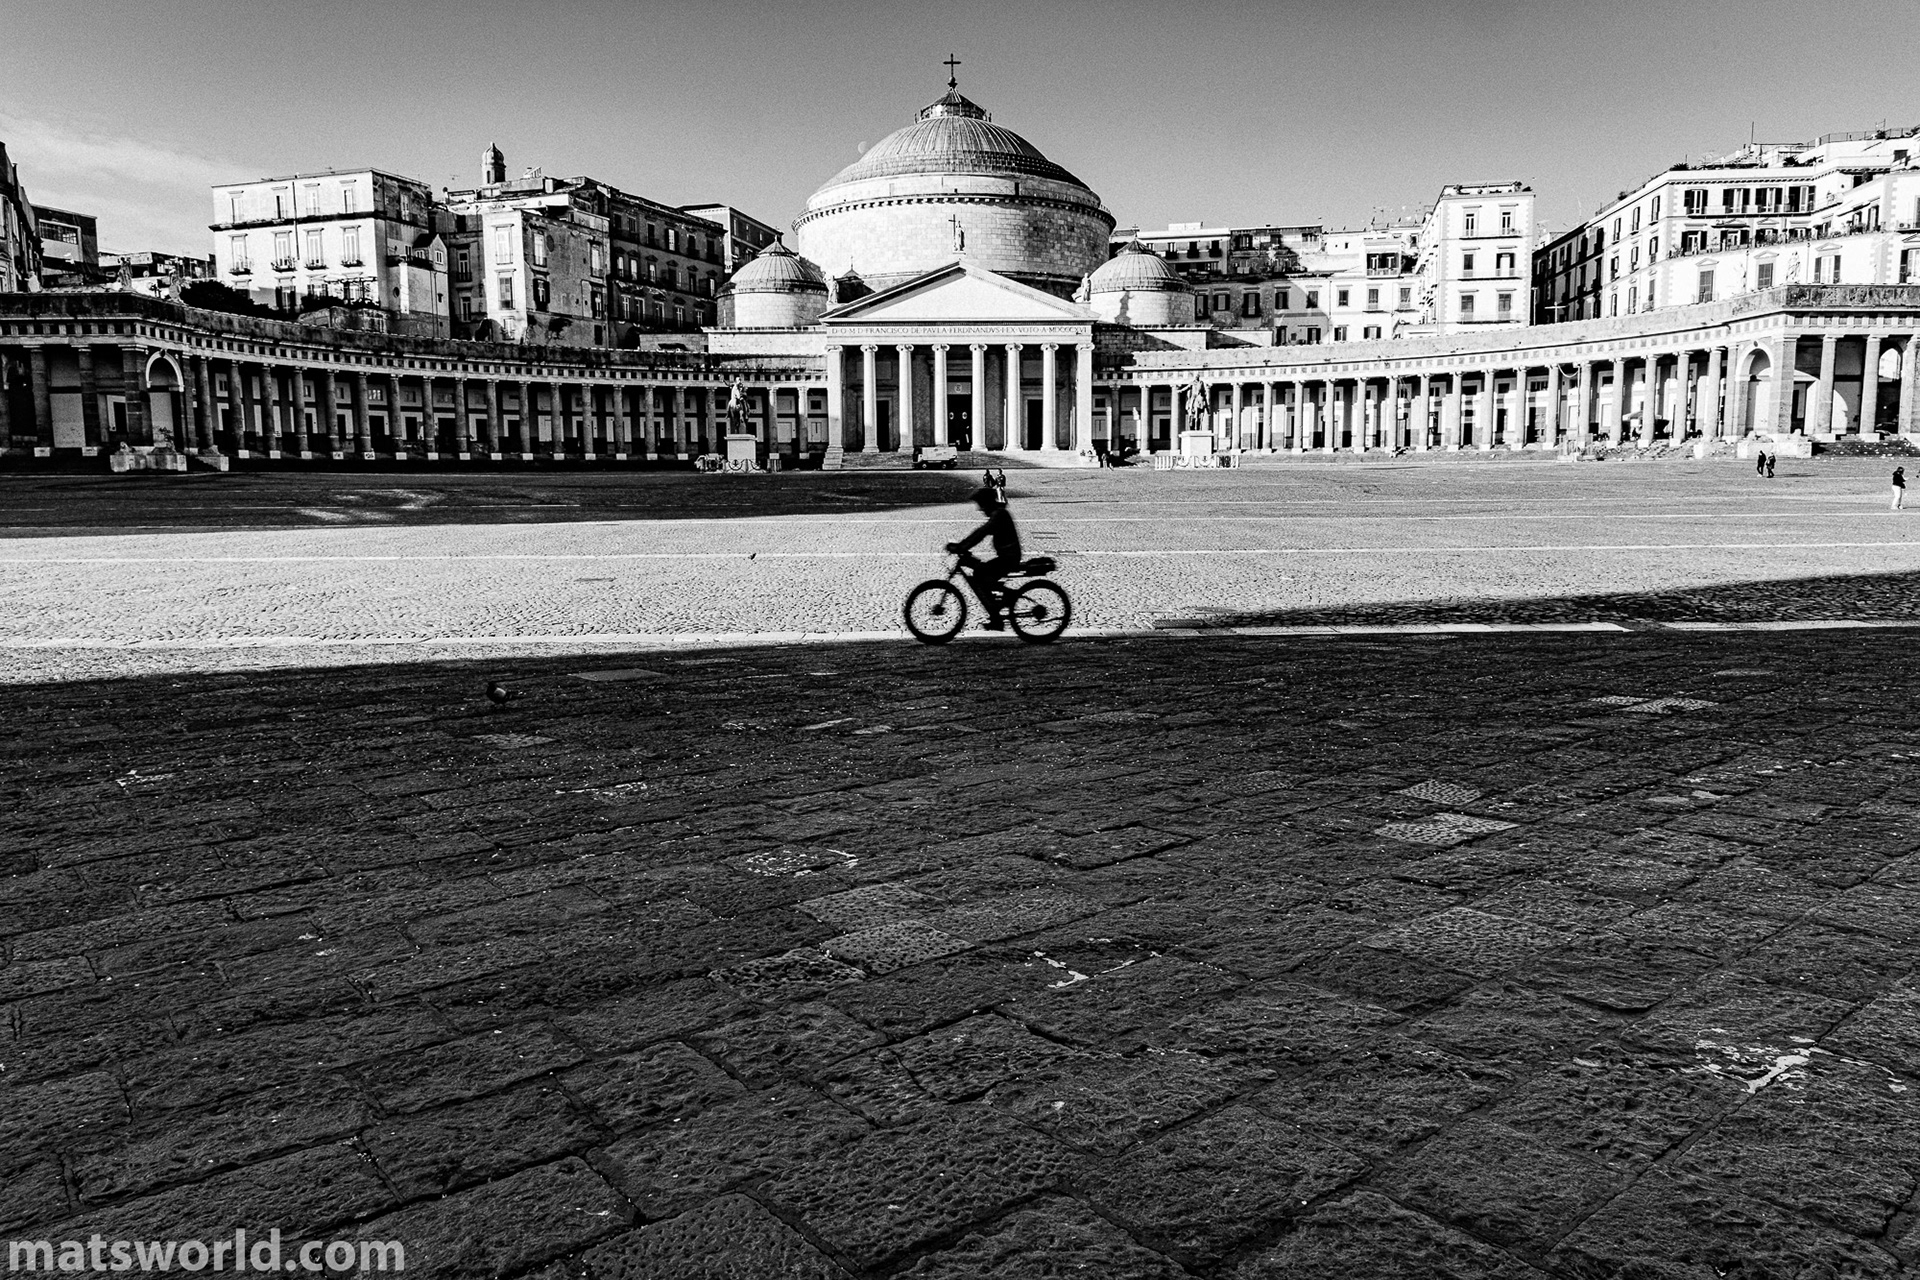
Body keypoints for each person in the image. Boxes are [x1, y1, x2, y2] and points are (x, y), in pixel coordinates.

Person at [946, 487, 1023, 629]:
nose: (980, 509)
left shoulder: (999, 515)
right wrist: (964, 546)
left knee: (980, 574)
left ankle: (1000, 610)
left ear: (987, 503)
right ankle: (997, 611)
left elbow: (981, 532)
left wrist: (961, 547)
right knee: (981, 573)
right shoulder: (999, 513)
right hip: (1007, 556)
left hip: (1008, 558)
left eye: (981, 505)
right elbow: (981, 532)